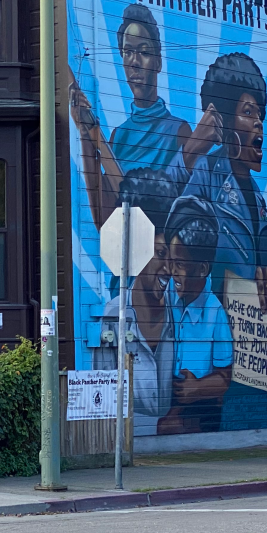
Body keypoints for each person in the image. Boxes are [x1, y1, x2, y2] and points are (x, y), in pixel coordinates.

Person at [69, 4, 191, 229]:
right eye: (127, 52)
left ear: (158, 61)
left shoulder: (180, 132)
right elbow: (103, 219)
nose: (134, 62)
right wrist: (84, 133)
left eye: (144, 52)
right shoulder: (120, 135)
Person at [182, 52, 267, 311]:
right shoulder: (207, 171)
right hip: (212, 317)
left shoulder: (257, 195)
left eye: (260, 114)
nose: (258, 123)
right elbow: (182, 239)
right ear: (224, 122)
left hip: (247, 326)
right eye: (248, 112)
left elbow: (264, 262)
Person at [92, 169, 181, 434]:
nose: (168, 267)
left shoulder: (183, 315)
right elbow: (105, 401)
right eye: (161, 253)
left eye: (172, 255)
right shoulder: (112, 317)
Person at [158, 195, 232, 435]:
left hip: (199, 407)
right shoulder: (164, 293)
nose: (171, 270)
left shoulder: (214, 313)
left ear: (202, 269)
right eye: (169, 260)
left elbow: (224, 376)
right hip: (163, 400)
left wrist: (197, 388)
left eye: (179, 264)